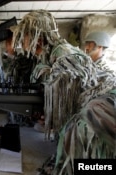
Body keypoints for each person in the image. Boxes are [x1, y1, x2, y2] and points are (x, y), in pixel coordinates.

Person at [7, 10, 116, 174]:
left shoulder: (64, 52)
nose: (22, 40)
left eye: (25, 34)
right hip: (91, 100)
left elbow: (71, 89)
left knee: (80, 132)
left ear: (39, 35)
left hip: (104, 98)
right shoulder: (45, 55)